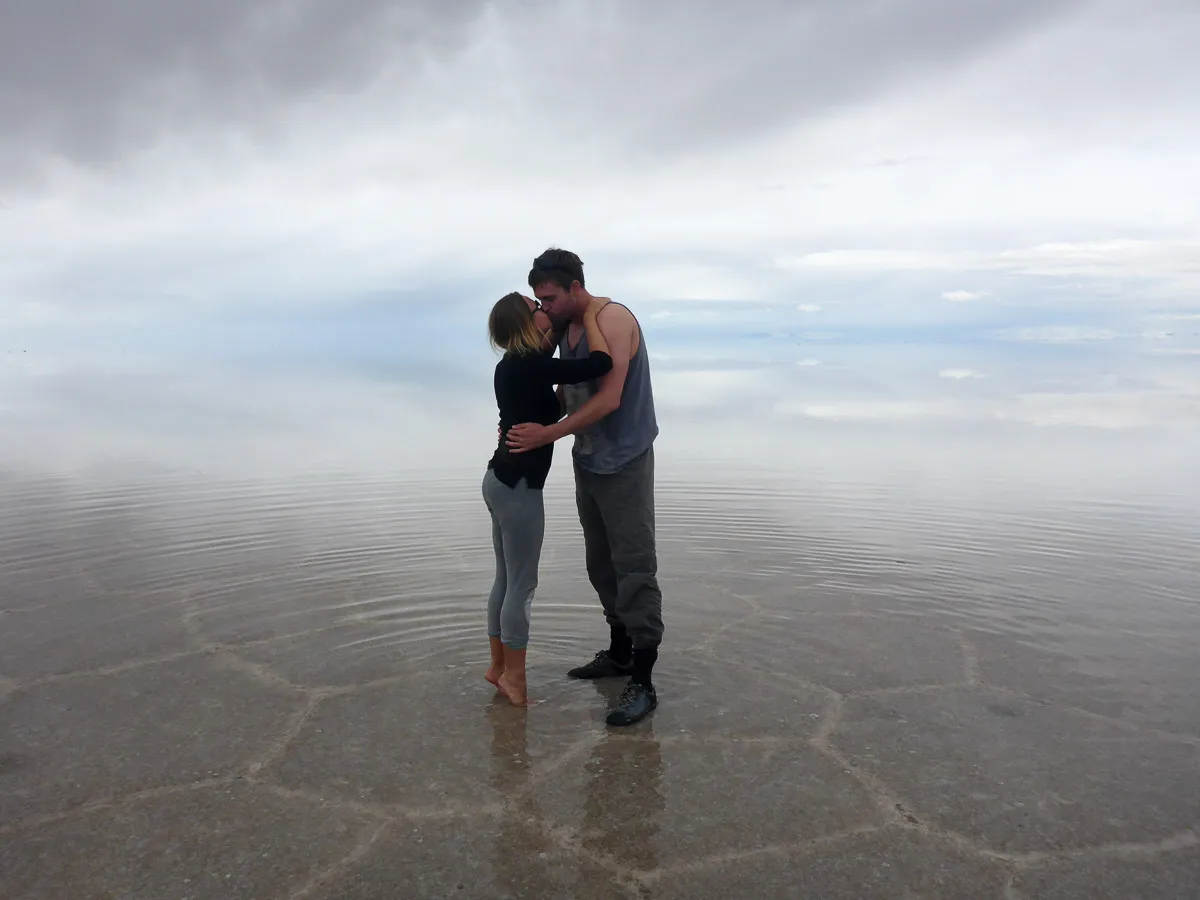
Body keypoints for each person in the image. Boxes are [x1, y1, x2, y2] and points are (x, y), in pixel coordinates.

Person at [506, 248, 663, 727]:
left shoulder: (612, 319)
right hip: (588, 459)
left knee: (634, 565)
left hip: (625, 460)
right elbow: (549, 380)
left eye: (550, 297)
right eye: (539, 299)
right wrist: (519, 422)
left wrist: (546, 434)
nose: (544, 306)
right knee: (600, 563)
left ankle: (644, 681)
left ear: (575, 287)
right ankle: (618, 653)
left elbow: (610, 397)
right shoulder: (565, 327)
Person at [483, 290, 613, 707]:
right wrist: (592, 316)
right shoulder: (532, 365)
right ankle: (514, 679)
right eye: (536, 307)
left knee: (506, 580)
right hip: (518, 487)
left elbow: (544, 387)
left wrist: (552, 328)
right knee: (521, 585)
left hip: (499, 480)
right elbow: (600, 365)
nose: (545, 312)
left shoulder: (512, 366)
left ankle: (499, 668)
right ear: (526, 322)